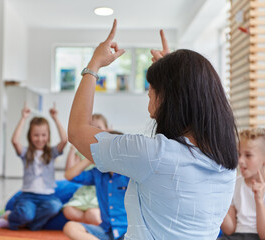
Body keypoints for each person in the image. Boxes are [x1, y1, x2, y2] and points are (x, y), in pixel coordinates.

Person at [68, 19, 238, 239]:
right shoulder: (225, 161)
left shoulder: (152, 154)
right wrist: (171, 73)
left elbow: (77, 131)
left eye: (151, 92)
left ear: (168, 99)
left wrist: (93, 66)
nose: (149, 103)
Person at [0, 102, 67, 230]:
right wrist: (23, 118)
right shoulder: (26, 153)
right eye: (36, 135)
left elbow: (64, 140)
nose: (40, 139)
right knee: (26, 214)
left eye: (43, 135)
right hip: (28, 196)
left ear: (48, 136)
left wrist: (55, 118)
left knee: (55, 207)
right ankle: (10, 217)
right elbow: (14, 141)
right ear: (30, 136)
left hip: (48, 197)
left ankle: (30, 225)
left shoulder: (51, 153)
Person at [63, 130, 129, 240]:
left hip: (127, 232)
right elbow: (69, 175)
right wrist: (90, 157)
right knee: (70, 227)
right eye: (104, 152)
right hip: (106, 231)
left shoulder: (129, 176)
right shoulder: (98, 174)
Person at [219, 129, 265, 240]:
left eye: (248, 155)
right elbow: (230, 229)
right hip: (236, 236)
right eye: (239, 154)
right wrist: (218, 199)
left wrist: (258, 200)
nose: (240, 160)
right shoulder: (235, 184)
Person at [63, 114, 108, 226]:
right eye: (91, 129)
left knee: (92, 213)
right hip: (85, 191)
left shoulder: (107, 150)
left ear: (107, 130)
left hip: (99, 191)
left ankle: (92, 223)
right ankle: (88, 224)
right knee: (68, 210)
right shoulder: (83, 150)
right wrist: (73, 149)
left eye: (99, 128)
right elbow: (70, 172)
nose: (95, 132)